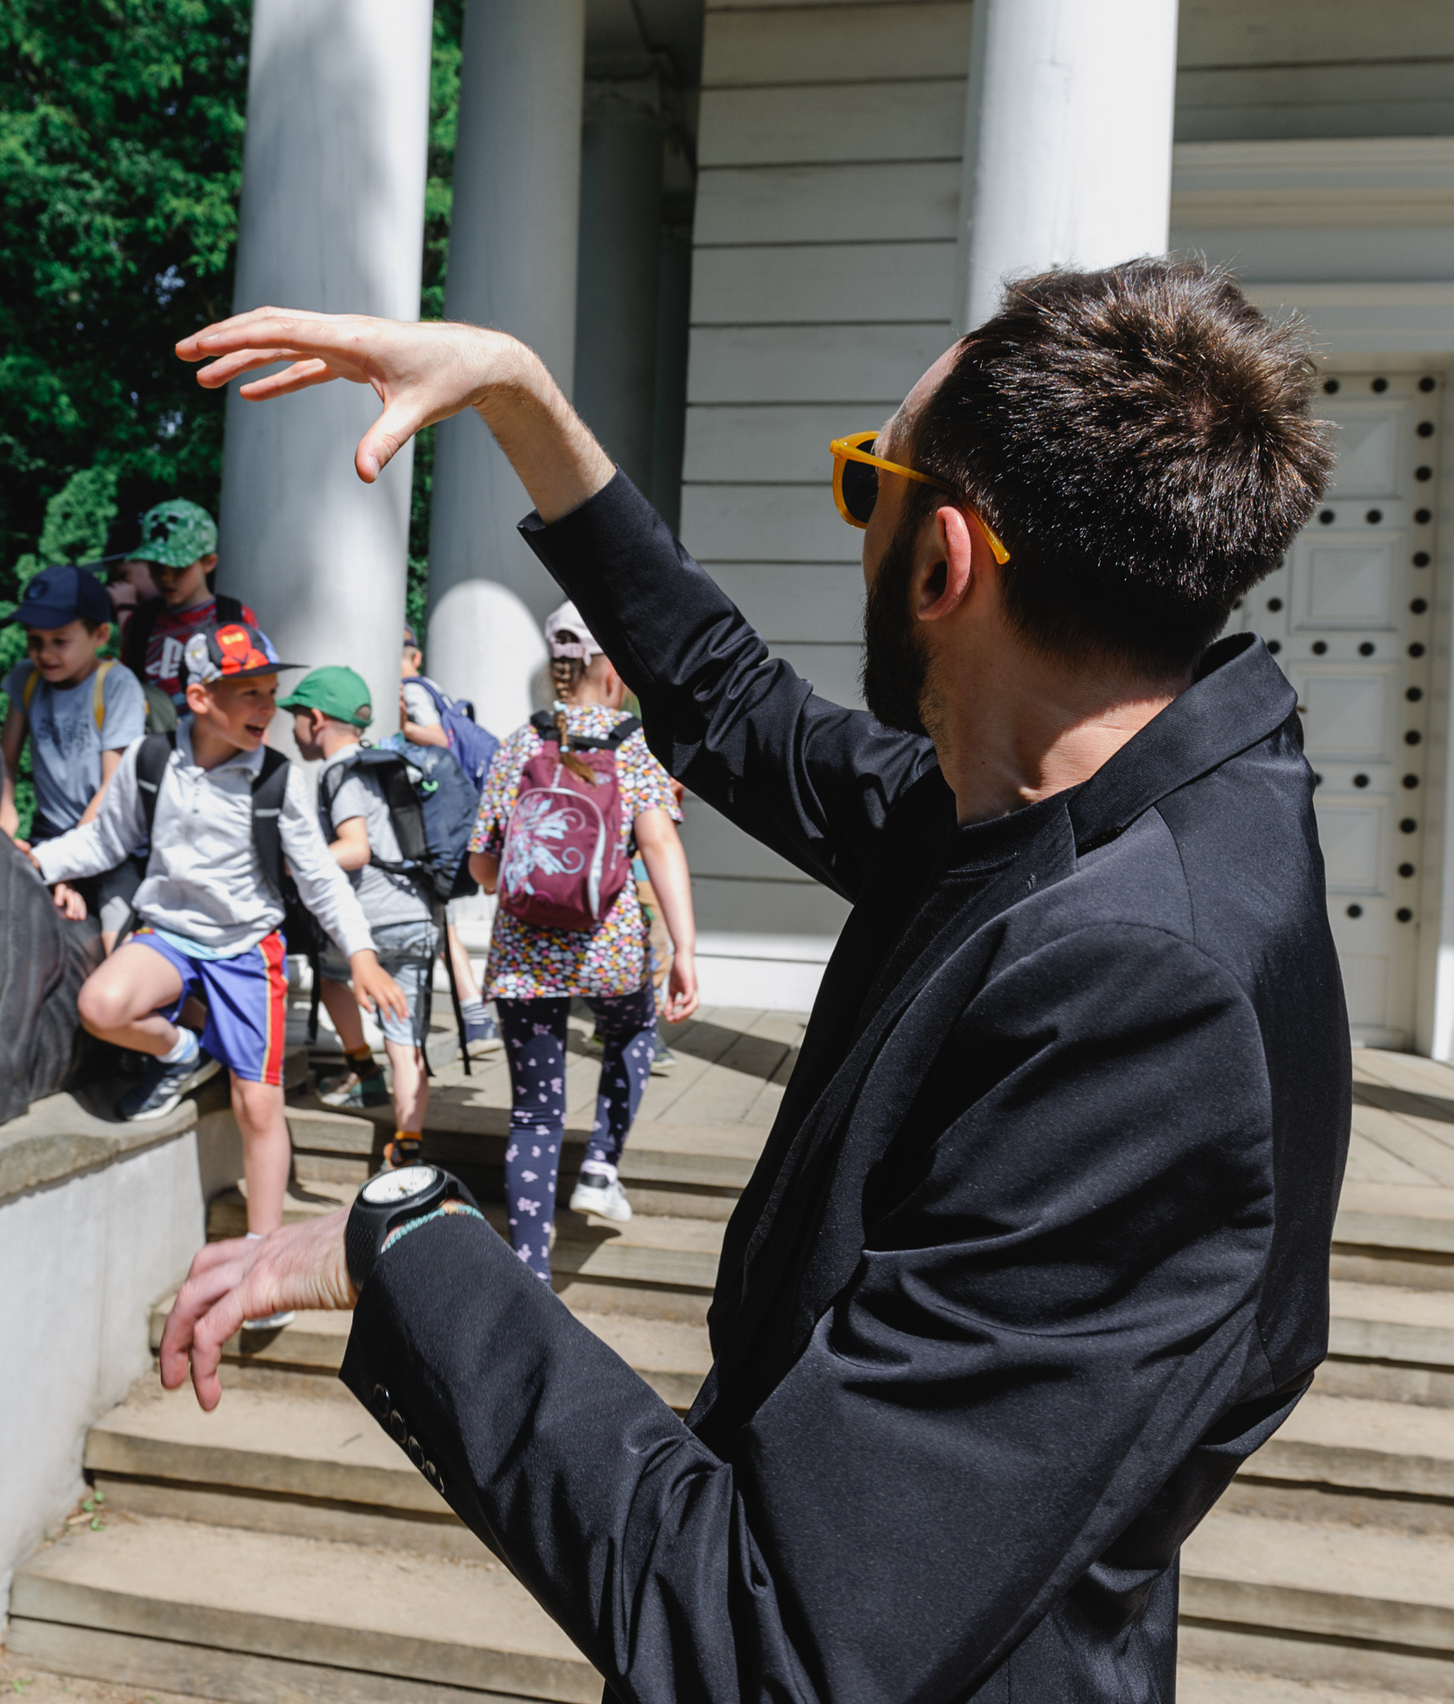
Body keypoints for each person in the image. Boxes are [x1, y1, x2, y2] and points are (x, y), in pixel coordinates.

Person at [159, 258, 1351, 1704]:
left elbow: (769, 1636)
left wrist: (400, 1247)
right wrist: (524, 401)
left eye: (871, 482)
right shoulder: (1050, 805)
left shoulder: (1143, 994)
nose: (858, 521)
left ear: (943, 564)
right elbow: (736, 707)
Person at [30, 623, 409, 1321]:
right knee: (102, 1005)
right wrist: (36, 861)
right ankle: (180, 1053)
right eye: (250, 694)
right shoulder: (150, 762)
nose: (267, 708)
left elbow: (322, 878)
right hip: (169, 934)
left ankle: (266, 1262)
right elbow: (101, 840)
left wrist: (359, 954)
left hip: (244, 950)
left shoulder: (276, 779)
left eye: (271, 692)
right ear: (200, 698)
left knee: (257, 1105)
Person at [467, 601, 698, 1260]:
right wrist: (682, 948)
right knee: (631, 1028)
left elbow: (484, 868)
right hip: (609, 949)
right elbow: (660, 848)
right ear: (614, 673)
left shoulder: (519, 744)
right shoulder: (632, 746)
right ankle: (600, 1166)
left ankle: (529, 1274)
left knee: (534, 1113)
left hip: (520, 956)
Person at [280, 666, 439, 1161]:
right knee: (404, 1027)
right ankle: (408, 1139)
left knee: (330, 978)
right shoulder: (383, 764)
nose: (292, 729)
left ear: (317, 719)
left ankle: (364, 1072)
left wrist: (294, 863)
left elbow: (355, 849)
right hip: (416, 915)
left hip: (370, 919)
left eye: (296, 717)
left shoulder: (341, 771)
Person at [0, 562, 149, 938]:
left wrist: (67, 868)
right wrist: (4, 819)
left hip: (108, 841)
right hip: (46, 834)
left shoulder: (116, 686)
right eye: (34, 641)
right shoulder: (26, 679)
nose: (44, 653)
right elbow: (5, 762)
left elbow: (110, 788)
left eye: (59, 641)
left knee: (119, 937)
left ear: (99, 634)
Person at [398, 625, 500, 1048]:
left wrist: (402, 728)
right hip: (448, 819)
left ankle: (474, 1022)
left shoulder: (412, 690)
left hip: (431, 823)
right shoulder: (434, 688)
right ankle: (475, 1020)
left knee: (445, 927)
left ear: (413, 656)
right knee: (445, 928)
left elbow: (437, 739)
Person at [119, 498, 260, 699]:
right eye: (156, 567)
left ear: (208, 562)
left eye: (178, 567)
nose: (166, 577)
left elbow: (252, 689)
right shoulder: (141, 621)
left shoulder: (235, 618)